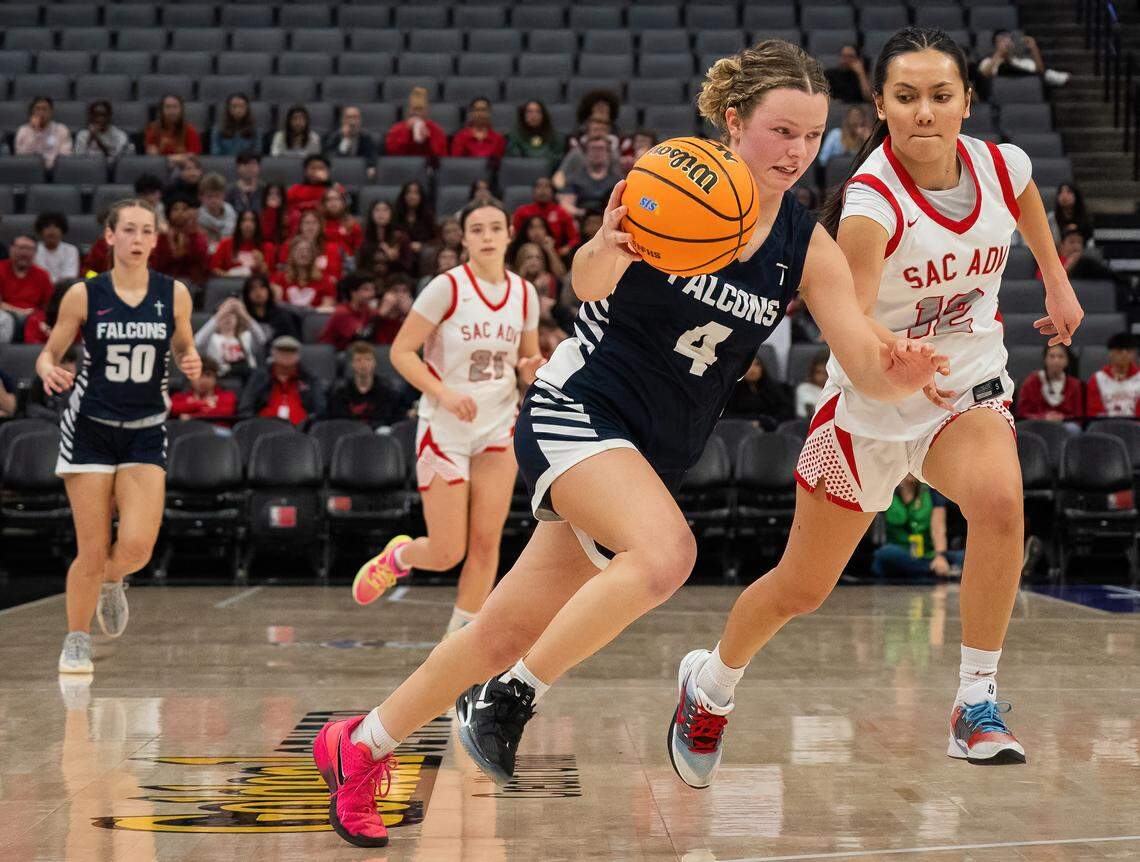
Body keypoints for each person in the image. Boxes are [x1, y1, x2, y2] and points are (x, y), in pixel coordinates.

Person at [309, 40, 948, 849]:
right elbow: (585, 281)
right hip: (581, 408)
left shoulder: (805, 245)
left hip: (649, 452)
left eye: (811, 136)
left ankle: (360, 744)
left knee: (499, 628)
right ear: (733, 121)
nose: (796, 151)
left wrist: (902, 371)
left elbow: (861, 360)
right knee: (666, 556)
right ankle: (510, 696)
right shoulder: (672, 181)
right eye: (781, 130)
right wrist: (609, 244)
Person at [679, 28, 1085, 788]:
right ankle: (710, 685)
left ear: (966, 101)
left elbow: (1026, 198)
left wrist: (1055, 282)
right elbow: (852, 318)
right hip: (869, 406)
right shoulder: (870, 202)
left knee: (1001, 504)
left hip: (962, 391)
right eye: (906, 97)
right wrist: (895, 362)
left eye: (940, 95)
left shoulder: (1001, 163)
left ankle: (975, 701)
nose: (924, 112)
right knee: (801, 589)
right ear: (880, 108)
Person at [349, 199, 544, 640]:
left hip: (498, 424)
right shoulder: (447, 288)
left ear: (511, 234)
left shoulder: (524, 293)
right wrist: (443, 393)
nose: (489, 236)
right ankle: (399, 558)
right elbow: (400, 352)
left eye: (497, 227)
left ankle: (459, 646)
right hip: (445, 426)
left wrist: (532, 368)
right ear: (464, 239)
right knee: (446, 551)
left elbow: (525, 359)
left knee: (485, 543)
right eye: (478, 229)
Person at [36, 198, 201, 675]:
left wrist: (190, 360)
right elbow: (49, 353)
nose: (137, 239)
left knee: (136, 547)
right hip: (89, 430)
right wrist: (49, 370)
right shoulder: (84, 295)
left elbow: (184, 345)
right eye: (127, 230)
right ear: (109, 237)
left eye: (146, 231)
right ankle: (76, 639)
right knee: (90, 548)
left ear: (156, 239)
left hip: (146, 431)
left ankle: (110, 582)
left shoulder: (175, 295)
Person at [871, 476, 964, 578]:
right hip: (901, 550)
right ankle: (933, 570)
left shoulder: (931, 490)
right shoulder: (887, 490)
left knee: (963, 557)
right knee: (885, 553)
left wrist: (940, 556)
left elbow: (938, 528)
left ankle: (933, 568)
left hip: (929, 552)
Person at [238, 335, 326, 424]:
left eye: (291, 351)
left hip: (302, 431)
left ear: (298, 356)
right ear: (272, 354)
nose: (286, 355)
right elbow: (246, 407)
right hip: (264, 430)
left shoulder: (309, 378)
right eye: (281, 351)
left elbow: (319, 409)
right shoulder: (260, 376)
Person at [327, 340, 403, 427]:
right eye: (358, 360)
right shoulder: (341, 392)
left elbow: (391, 420)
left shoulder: (387, 391)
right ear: (352, 364)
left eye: (368, 359)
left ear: (374, 363)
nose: (363, 364)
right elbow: (338, 422)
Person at [194, 296, 265, 379]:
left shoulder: (247, 336)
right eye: (224, 315)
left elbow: (262, 339)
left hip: (247, 380)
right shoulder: (211, 339)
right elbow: (197, 343)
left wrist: (244, 314)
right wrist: (220, 314)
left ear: (238, 319)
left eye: (232, 314)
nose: (227, 317)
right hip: (221, 379)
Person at [1, 234, 54, 340]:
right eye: (20, 248)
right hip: (4, 313)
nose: (24, 252)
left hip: (34, 316)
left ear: (35, 253)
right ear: (11, 249)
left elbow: (49, 305)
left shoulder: (43, 275)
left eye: (29, 249)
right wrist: (20, 312)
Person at [511, 177, 580, 258]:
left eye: (547, 187)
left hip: (556, 254)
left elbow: (574, 238)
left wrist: (565, 249)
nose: (543, 190)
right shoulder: (522, 211)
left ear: (553, 192)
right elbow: (514, 236)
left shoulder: (562, 212)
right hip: (527, 254)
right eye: (539, 186)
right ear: (533, 192)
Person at [558, 135, 623, 218]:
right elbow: (566, 205)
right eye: (593, 149)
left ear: (608, 153)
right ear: (585, 153)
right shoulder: (574, 179)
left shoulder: (618, 181)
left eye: (600, 149)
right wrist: (585, 215)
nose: (597, 153)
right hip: (581, 220)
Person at [1015, 344, 1082, 423]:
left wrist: (1062, 418)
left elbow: (1079, 417)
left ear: (1067, 361)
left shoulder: (1074, 385)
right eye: (1052, 356)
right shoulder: (1032, 382)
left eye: (1061, 356)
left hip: (1065, 425)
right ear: (1045, 359)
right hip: (1037, 424)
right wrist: (1043, 417)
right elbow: (1022, 413)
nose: (1056, 360)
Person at [152, 195, 209, 289]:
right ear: (169, 213)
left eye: (184, 209)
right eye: (175, 209)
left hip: (191, 281)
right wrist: (171, 243)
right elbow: (158, 264)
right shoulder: (162, 237)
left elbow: (200, 261)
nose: (180, 212)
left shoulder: (197, 235)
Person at [318, 273, 387, 350]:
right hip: (332, 353)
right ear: (353, 292)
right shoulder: (342, 312)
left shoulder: (366, 308)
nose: (372, 294)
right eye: (366, 289)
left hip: (351, 351)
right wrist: (381, 314)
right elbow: (362, 336)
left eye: (373, 289)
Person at [978, 30, 1069, 88]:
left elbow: (1039, 71)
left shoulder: (1021, 62)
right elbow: (983, 75)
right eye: (1001, 41)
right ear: (995, 44)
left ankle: (1052, 75)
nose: (1005, 43)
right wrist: (999, 53)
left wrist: (1034, 48)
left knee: (1039, 75)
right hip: (1003, 90)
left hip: (1024, 88)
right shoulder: (988, 61)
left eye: (1007, 40)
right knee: (1003, 67)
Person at [723, 354, 794, 424]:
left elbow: (786, 412)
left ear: (762, 368)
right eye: (748, 366)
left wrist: (765, 422)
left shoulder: (774, 388)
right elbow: (725, 415)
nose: (752, 370)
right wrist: (749, 422)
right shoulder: (731, 391)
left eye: (756, 365)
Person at [384, 87, 448, 163]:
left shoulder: (435, 130)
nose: (417, 113)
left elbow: (441, 159)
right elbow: (392, 154)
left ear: (426, 111)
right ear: (409, 110)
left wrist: (428, 140)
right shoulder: (397, 129)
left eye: (420, 109)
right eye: (414, 109)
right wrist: (407, 132)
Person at [273, 237, 337, 311]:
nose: (303, 253)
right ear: (291, 254)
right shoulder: (280, 279)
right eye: (299, 250)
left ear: (313, 255)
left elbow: (327, 308)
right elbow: (277, 305)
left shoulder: (325, 280)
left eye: (307, 250)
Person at [1085, 332, 1140, 417]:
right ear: (1110, 353)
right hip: (1105, 425)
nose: (1124, 354)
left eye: (1128, 351)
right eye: (1119, 350)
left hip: (1135, 426)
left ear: (1134, 354)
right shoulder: (1097, 378)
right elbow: (1093, 411)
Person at [169, 356, 237, 422]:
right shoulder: (179, 397)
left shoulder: (227, 396)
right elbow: (172, 409)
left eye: (208, 375)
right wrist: (203, 403)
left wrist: (191, 417)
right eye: (198, 375)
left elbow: (224, 412)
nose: (203, 380)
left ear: (215, 378)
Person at [209, 210, 275, 277]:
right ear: (238, 224)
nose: (248, 224)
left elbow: (270, 275)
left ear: (257, 225)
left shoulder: (267, 247)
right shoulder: (225, 244)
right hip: (230, 283)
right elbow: (214, 268)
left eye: (252, 221)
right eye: (244, 220)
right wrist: (229, 277)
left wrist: (261, 264)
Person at [242, 272, 300, 345]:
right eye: (252, 288)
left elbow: (293, 342)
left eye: (262, 287)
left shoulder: (282, 316)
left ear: (269, 291)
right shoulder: (243, 316)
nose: (258, 292)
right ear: (246, 293)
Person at [505, 100, 565, 170]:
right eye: (529, 112)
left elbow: (558, 160)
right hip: (522, 173)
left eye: (538, 112)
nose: (534, 115)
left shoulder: (555, 136)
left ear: (543, 115)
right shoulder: (515, 136)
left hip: (548, 175)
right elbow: (514, 161)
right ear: (523, 116)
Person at [15, 96, 73, 169]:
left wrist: (47, 165)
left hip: (55, 170)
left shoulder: (61, 129)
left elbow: (66, 155)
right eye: (37, 109)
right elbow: (20, 155)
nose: (41, 112)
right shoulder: (23, 130)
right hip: (29, 170)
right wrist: (36, 132)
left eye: (44, 109)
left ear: (51, 112)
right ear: (33, 111)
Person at [144, 94, 202, 166]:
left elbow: (193, 156)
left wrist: (169, 158)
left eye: (175, 107)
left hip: (183, 168)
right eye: (167, 107)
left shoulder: (190, 129)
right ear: (162, 110)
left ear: (181, 109)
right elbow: (152, 154)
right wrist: (173, 158)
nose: (172, 111)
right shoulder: (153, 128)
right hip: (160, 167)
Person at [26, 344, 77, 420]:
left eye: (69, 371)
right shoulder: (43, 380)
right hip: (47, 423)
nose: (65, 375)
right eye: (62, 371)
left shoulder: (80, 381)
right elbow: (31, 408)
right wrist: (56, 417)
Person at [449, 97, 507, 163]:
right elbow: (456, 164)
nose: (480, 113)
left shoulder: (498, 139)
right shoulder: (460, 137)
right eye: (476, 110)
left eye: (484, 110)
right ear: (471, 114)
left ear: (489, 113)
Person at [34, 213, 81, 284]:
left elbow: (70, 276)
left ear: (62, 231)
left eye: (56, 227)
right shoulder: (33, 249)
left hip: (64, 289)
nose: (52, 231)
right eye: (47, 227)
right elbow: (38, 276)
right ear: (41, 231)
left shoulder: (71, 250)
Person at [196, 173, 237, 251]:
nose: (213, 200)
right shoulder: (197, 218)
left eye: (217, 196)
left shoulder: (232, 214)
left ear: (224, 196)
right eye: (209, 196)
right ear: (201, 197)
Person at [393, 181, 438, 253]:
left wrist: (422, 245)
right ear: (404, 196)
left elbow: (435, 239)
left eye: (416, 193)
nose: (412, 196)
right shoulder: (395, 215)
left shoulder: (428, 216)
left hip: (422, 253)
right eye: (409, 192)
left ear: (421, 196)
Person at [210, 93, 259, 157]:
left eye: (242, 106)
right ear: (228, 109)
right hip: (223, 164)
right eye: (234, 107)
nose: (238, 110)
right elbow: (215, 153)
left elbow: (257, 152)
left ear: (247, 108)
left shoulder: (255, 129)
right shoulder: (218, 129)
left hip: (246, 164)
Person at [321, 188, 363, 259]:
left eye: (336, 199)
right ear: (324, 204)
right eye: (329, 199)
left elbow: (359, 250)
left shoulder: (352, 224)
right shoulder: (318, 223)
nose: (333, 203)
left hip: (346, 265)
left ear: (343, 203)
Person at [795, 348, 830, 417]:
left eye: (826, 373)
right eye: (818, 372)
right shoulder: (804, 388)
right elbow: (813, 413)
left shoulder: (840, 390)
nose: (822, 377)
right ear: (812, 372)